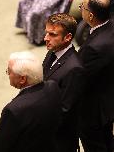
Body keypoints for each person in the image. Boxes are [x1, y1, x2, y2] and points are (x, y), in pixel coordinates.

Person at [0, 51, 61, 152]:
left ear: (22, 79)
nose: (8, 74)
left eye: (9, 71)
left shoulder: (14, 110)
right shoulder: (53, 86)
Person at [43, 13, 85, 152]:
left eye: (52, 34)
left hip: (59, 140)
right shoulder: (53, 51)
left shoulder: (74, 68)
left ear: (67, 37)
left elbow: (64, 110)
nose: (46, 38)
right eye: (46, 33)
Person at [78, 0, 114, 152]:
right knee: (107, 140)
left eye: (82, 7)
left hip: (94, 111)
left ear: (91, 16)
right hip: (109, 98)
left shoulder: (93, 48)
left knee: (96, 145)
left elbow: (79, 78)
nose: (80, 9)